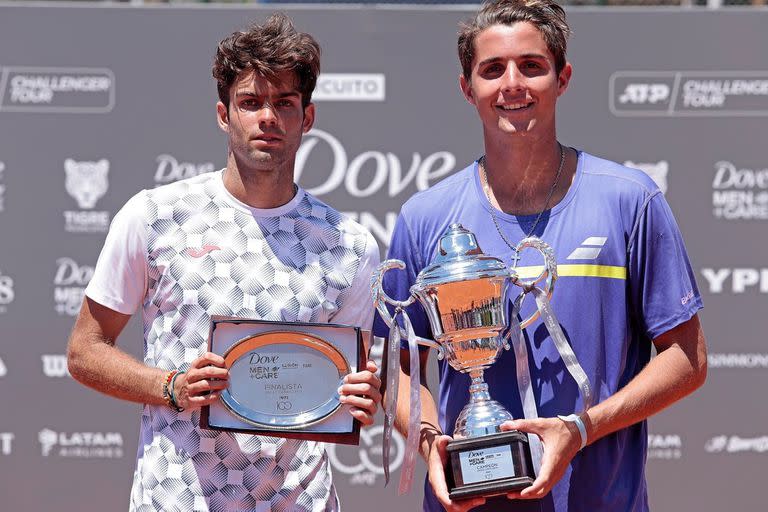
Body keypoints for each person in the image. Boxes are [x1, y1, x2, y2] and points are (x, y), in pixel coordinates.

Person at [375, 1, 707, 511]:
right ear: (467, 88)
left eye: (531, 66)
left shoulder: (630, 199)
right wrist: (431, 443)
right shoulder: (426, 216)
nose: (512, 84)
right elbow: (395, 367)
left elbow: (687, 360)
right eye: (492, 70)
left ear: (563, 78)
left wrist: (580, 428)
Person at [67, 13, 382, 512]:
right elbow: (84, 351)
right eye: (251, 102)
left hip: (300, 502)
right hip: (175, 499)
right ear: (223, 114)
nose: (268, 118)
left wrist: (362, 397)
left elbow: (346, 385)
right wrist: (170, 385)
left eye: (284, 103)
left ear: (308, 117)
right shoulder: (154, 216)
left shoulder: (351, 245)